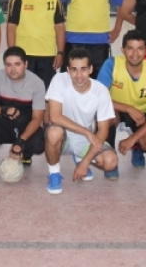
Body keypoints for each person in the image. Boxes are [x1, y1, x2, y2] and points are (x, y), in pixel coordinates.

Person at [44, 48, 118, 194]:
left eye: (83, 69)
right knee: (53, 132)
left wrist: (85, 163)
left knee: (110, 162)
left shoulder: (101, 91)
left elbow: (103, 131)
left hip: (84, 140)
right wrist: (87, 132)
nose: (79, 75)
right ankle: (54, 173)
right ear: (68, 70)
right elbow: (55, 117)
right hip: (64, 135)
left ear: (90, 69)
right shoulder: (59, 80)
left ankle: (80, 157)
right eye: (74, 69)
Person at [97, 30, 146, 178]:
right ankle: (110, 157)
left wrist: (132, 139)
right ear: (123, 50)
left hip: (141, 115)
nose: (135, 53)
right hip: (116, 110)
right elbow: (98, 97)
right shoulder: (112, 64)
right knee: (106, 117)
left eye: (140, 48)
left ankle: (137, 146)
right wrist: (128, 108)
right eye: (130, 48)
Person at [0, 46, 46, 176]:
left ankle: (25, 154)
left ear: (26, 64)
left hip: (24, 126)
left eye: (17, 64)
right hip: (3, 126)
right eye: (8, 65)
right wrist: (2, 110)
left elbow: (37, 118)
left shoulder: (37, 83)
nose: (13, 69)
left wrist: (21, 141)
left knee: (39, 141)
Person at [7, 0, 65, 88]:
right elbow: (11, 27)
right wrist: (12, 53)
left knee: (45, 93)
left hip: (48, 56)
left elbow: (60, 27)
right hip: (24, 56)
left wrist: (60, 52)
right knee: (23, 93)